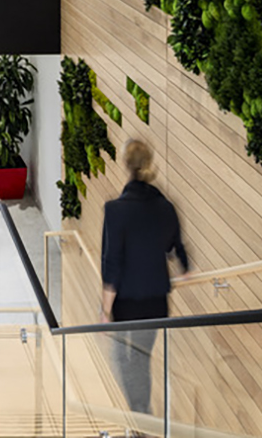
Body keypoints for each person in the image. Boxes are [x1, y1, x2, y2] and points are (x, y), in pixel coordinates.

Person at [99, 139, 191, 419]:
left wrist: (105, 310)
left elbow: (111, 264)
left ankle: (142, 419)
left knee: (124, 360)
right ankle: (142, 417)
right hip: (156, 302)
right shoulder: (166, 207)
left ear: (126, 165)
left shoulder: (115, 211)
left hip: (126, 303)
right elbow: (177, 249)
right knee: (141, 359)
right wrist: (184, 270)